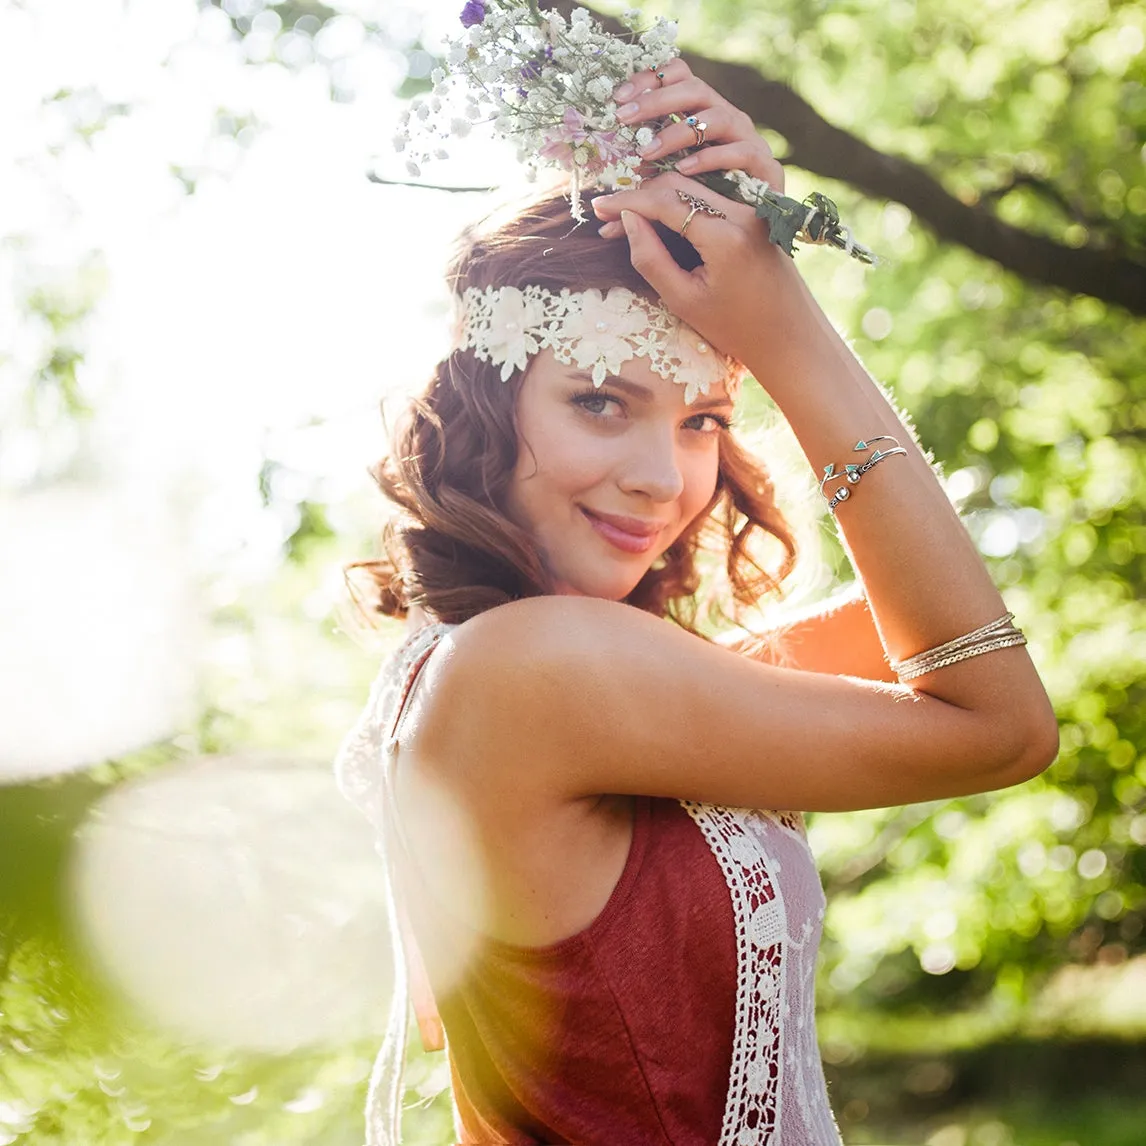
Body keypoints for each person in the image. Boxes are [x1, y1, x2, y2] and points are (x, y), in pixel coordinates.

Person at [336, 60, 1059, 1146]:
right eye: (599, 401)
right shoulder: (532, 671)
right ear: (488, 408)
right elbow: (1001, 722)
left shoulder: (529, 675)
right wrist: (791, 333)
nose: (666, 481)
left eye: (704, 421)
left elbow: (954, 636)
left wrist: (752, 272)